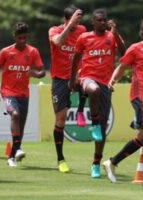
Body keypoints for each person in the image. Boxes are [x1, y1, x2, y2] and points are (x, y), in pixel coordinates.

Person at [102, 15, 143, 185]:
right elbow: (122, 66)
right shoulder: (135, 49)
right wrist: (112, 80)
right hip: (140, 94)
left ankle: (112, 162)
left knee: (142, 135)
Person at [70, 8, 125, 178]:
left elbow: (125, 54)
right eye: (99, 20)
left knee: (102, 128)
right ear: (93, 22)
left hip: (106, 83)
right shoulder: (84, 38)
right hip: (88, 78)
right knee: (93, 91)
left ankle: (95, 163)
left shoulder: (112, 36)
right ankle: (92, 122)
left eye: (104, 20)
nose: (102, 23)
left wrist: (115, 34)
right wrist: (72, 80)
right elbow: (76, 59)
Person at [0, 22, 45, 167]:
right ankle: (18, 149)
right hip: (8, 92)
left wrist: (36, 73)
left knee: (20, 127)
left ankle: (12, 156)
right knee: (14, 115)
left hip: (24, 94)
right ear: (14, 36)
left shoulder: (32, 52)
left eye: (25, 38)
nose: (22, 41)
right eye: (20, 38)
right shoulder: (6, 52)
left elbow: (42, 71)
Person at [48, 5, 86, 173]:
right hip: (60, 79)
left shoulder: (82, 30)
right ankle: (60, 159)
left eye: (78, 22)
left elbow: (85, 51)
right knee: (61, 119)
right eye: (73, 22)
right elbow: (58, 42)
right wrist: (70, 25)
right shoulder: (54, 30)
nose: (76, 26)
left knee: (92, 87)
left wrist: (81, 70)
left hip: (77, 75)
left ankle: (79, 111)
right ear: (65, 19)